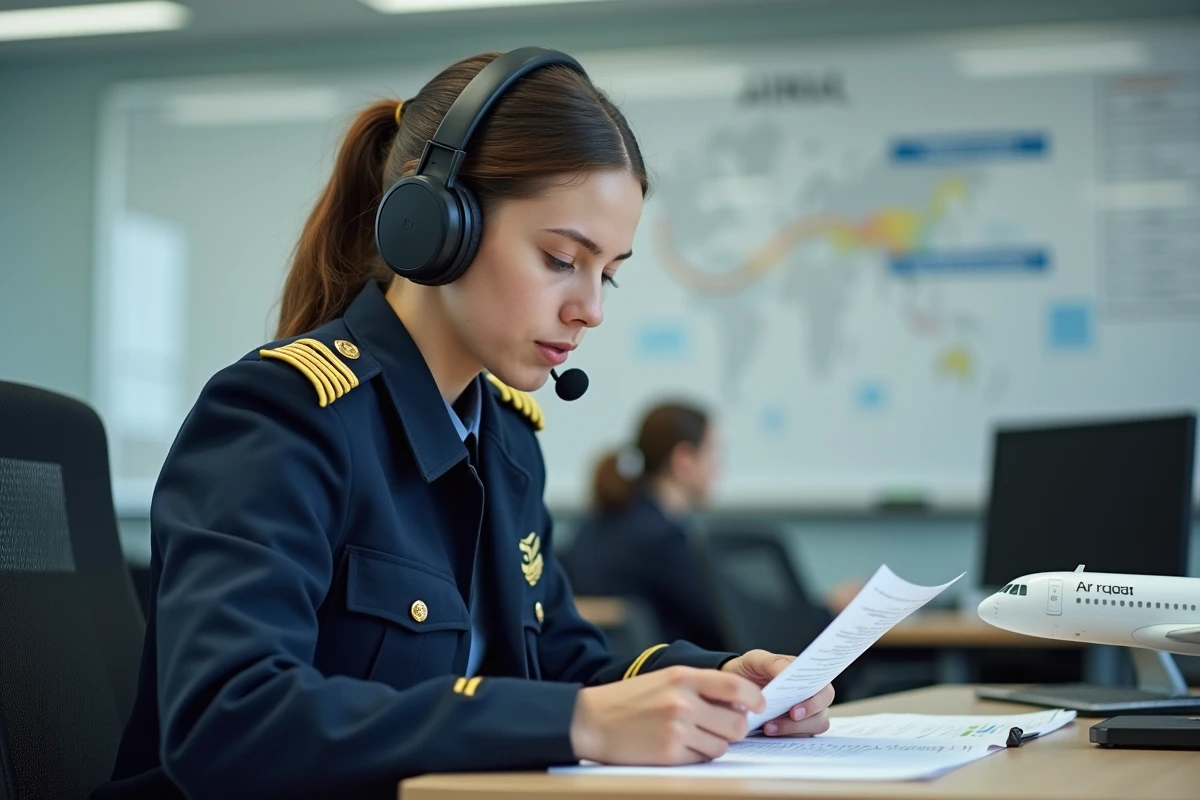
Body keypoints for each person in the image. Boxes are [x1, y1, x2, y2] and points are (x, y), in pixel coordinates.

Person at [93, 48, 835, 800]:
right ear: (436, 226)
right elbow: (229, 720)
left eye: (607, 272)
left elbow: (562, 666)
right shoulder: (281, 417)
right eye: (560, 259)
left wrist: (713, 682)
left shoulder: (505, 440)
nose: (592, 309)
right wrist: (577, 722)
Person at [566, 402, 864, 652]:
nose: (719, 467)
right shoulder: (662, 539)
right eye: (713, 453)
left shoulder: (598, 525)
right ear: (684, 460)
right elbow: (736, 614)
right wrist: (827, 608)